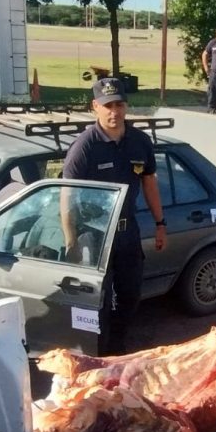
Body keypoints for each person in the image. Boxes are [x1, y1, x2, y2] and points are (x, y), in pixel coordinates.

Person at [62, 77, 167, 355]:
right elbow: (67, 195)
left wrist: (160, 224)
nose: (114, 111)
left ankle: (118, 349)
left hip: (127, 232)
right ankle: (96, 351)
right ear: (95, 106)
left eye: (119, 104)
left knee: (130, 294)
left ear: (126, 106)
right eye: (108, 105)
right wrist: (71, 241)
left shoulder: (140, 142)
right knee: (97, 300)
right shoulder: (84, 147)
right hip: (94, 236)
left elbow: (149, 183)